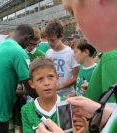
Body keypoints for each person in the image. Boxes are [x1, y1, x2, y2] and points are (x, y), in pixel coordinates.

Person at [38, 0, 117, 132]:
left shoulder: (111, 56)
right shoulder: (108, 56)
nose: (77, 29)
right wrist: (104, 114)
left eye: (72, 11)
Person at [0, 24, 38, 133]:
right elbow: (31, 89)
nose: (28, 46)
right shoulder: (18, 51)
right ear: (27, 37)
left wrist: (22, 92)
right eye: (30, 43)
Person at [21, 57, 87, 133]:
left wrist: (84, 128)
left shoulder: (69, 105)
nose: (46, 83)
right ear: (31, 84)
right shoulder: (26, 110)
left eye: (50, 77)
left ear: (57, 77)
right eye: (40, 79)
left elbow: (80, 128)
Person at [45, 18, 79, 97]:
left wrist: (59, 87)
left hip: (67, 95)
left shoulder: (71, 53)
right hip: (51, 94)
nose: (50, 43)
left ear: (61, 37)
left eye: (52, 40)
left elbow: (75, 78)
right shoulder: (48, 53)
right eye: (48, 40)